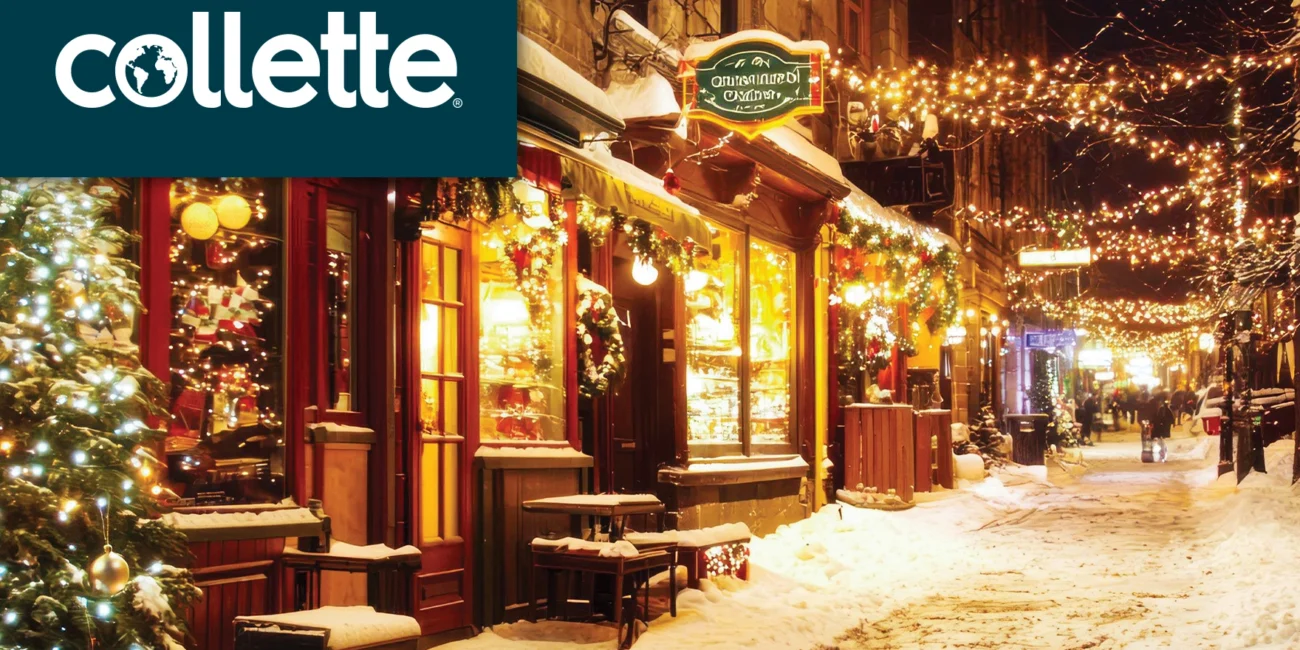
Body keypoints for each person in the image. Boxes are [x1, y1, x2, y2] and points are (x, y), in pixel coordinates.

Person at [1152, 397, 1174, 462]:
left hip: (1160, 428)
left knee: (1161, 442)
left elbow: (1157, 418)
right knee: (1161, 442)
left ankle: (1162, 455)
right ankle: (1162, 455)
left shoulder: (1161, 409)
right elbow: (1171, 419)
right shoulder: (1165, 409)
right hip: (1162, 428)